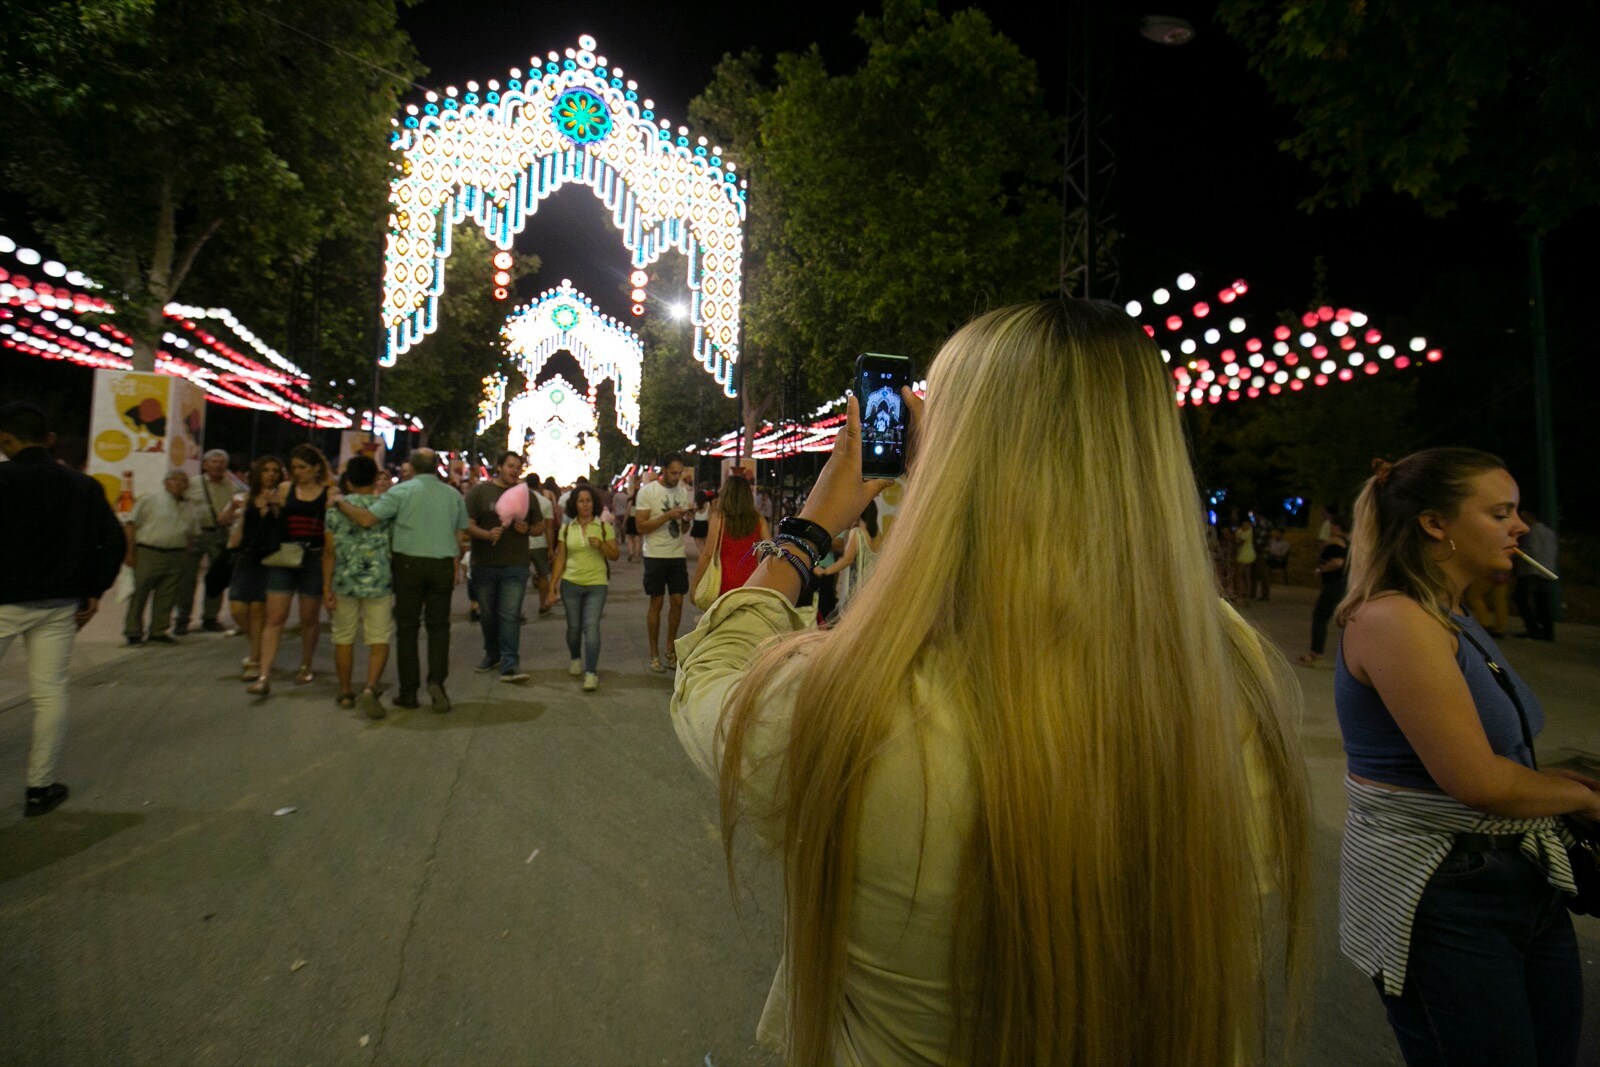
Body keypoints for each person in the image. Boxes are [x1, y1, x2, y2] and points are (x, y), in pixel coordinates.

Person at [669, 300, 1310, 1064]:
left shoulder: (849, 706)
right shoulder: (1231, 681)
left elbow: (714, 677)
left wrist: (814, 524)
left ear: (948, 461)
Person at [1333, 450, 1598, 1065]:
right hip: (1445, 890)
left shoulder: (1451, 613)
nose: (1521, 526)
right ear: (1435, 524)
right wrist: (1583, 798)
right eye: (1500, 512)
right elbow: (1477, 780)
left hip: (1518, 877)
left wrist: (1549, 782)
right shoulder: (1396, 620)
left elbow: (1495, 754)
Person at [0, 401, 124, 817]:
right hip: (58, 604)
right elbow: (114, 541)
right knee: (50, 692)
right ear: (49, 439)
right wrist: (94, 590)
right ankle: (39, 786)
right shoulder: (82, 486)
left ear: (7, 440)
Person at [331, 447, 467, 712]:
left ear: (412, 468)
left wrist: (339, 502)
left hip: (409, 564)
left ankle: (408, 692)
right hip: (442, 564)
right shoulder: (453, 495)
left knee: (407, 629)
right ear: (437, 467)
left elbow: (368, 519)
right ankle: (437, 681)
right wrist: (455, 563)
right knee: (439, 628)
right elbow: (459, 532)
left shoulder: (401, 491)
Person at [252, 444, 330, 694]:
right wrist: (268, 508)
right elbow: (275, 518)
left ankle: (306, 664)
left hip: (313, 559)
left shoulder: (328, 493)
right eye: (294, 467)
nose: (298, 472)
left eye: (303, 467)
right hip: (285, 556)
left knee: (308, 619)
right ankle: (264, 674)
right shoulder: (286, 489)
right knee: (275, 618)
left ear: (316, 468)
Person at [322, 455, 393, 717]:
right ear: (376, 478)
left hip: (344, 580)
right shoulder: (385, 508)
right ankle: (370, 687)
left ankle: (344, 691)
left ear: (348, 480)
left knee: (343, 637)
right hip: (379, 581)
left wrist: (325, 587)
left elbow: (329, 551)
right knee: (379, 637)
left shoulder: (334, 509)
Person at [465, 451, 532, 683]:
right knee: (488, 615)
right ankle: (492, 653)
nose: (514, 471)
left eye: (518, 467)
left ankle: (510, 663)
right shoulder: (479, 492)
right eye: (510, 466)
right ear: (500, 466)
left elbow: (540, 526)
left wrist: (528, 529)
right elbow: (466, 524)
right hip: (484, 564)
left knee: (510, 615)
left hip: (516, 564)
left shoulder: (524, 494)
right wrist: (485, 534)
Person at [550, 483, 618, 691]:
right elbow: (560, 558)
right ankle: (575, 657)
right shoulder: (566, 528)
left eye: (588, 501)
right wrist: (553, 585)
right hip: (571, 583)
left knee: (592, 627)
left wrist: (602, 546)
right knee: (574, 628)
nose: (585, 505)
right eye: (581, 501)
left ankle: (591, 673)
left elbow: (614, 555)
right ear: (575, 504)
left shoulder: (604, 527)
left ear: (594, 503)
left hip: (597, 583)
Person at [122, 467, 199, 646]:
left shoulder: (189, 505)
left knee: (168, 595)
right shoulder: (150, 499)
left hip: (177, 554)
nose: (180, 484)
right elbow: (131, 525)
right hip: (149, 552)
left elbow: (191, 533)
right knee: (140, 593)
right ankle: (133, 631)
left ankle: (158, 630)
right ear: (166, 482)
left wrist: (186, 554)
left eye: (184, 481)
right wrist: (130, 552)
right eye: (175, 480)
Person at [635, 455, 694, 672]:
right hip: (655, 555)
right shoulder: (648, 491)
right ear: (664, 470)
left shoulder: (682, 491)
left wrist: (686, 520)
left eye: (680, 473)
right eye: (673, 473)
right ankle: (654, 653)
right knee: (656, 603)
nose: (677, 477)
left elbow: (684, 530)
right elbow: (641, 526)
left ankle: (670, 647)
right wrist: (667, 516)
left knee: (677, 601)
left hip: (676, 554)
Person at [230, 456, 283, 682]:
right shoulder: (247, 497)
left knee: (258, 610)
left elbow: (282, 525)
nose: (270, 474)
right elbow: (238, 525)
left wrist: (275, 506)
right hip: (246, 556)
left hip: (269, 559)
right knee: (238, 609)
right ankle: (258, 646)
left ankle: (254, 659)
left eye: (275, 470)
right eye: (266, 470)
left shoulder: (283, 497)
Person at [176, 448, 239, 634]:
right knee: (187, 578)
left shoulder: (232, 487)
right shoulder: (192, 484)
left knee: (216, 577)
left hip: (219, 534)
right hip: (195, 534)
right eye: (213, 461)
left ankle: (210, 617)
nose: (217, 465)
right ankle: (182, 619)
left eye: (221, 462)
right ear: (205, 464)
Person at [689, 473, 769, 602]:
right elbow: (769, 551)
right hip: (751, 581)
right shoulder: (759, 519)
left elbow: (708, 554)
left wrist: (695, 585)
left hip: (723, 580)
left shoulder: (719, 518)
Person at [1297, 514, 1349, 668]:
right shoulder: (1346, 541)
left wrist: (1321, 570)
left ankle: (1316, 652)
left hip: (1334, 583)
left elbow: (1338, 562)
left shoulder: (1336, 542)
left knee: (1320, 616)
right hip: (1339, 583)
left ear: (1336, 527)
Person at [814, 500, 882, 613]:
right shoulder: (878, 536)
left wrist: (826, 571)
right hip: (873, 586)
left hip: (858, 587)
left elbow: (847, 560)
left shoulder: (857, 533)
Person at [1513, 506, 1557, 641]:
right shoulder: (1549, 532)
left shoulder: (1532, 532)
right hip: (1547, 570)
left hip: (1531, 571)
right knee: (1542, 602)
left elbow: (1532, 551)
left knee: (1520, 598)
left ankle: (1533, 628)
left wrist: (1515, 552)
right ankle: (1548, 631)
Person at [525, 469, 556, 615]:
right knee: (543, 575)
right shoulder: (545, 502)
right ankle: (543, 605)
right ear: (539, 484)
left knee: (518, 577)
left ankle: (516, 609)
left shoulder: (519, 501)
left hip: (521, 544)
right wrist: (550, 548)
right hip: (540, 544)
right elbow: (549, 528)